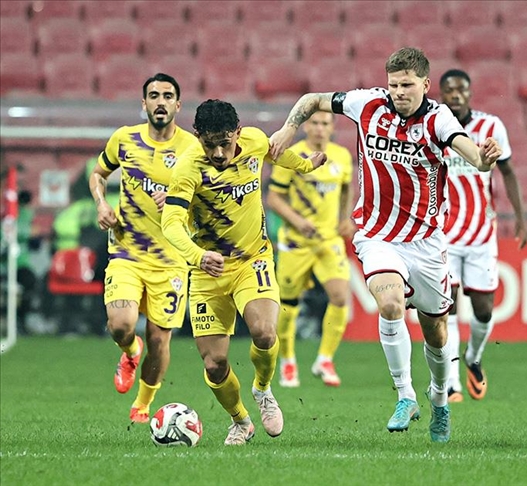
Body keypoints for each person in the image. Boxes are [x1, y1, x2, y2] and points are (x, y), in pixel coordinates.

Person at [269, 47, 502, 443]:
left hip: (426, 242)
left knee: (437, 333)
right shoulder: (367, 103)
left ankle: (439, 400)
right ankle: (405, 395)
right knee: (390, 303)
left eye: (407, 85)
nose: (398, 92)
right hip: (377, 235)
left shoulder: (438, 118)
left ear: (425, 85)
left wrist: (483, 159)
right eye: (394, 84)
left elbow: (468, 151)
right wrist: (287, 130)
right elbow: (312, 101)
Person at [162, 99, 326, 445]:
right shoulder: (188, 168)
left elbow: (274, 152)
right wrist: (197, 255)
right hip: (208, 270)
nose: (219, 152)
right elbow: (171, 223)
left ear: (238, 132)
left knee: (265, 333)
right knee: (214, 365)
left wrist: (304, 166)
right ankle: (240, 420)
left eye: (225, 141)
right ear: (197, 137)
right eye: (210, 144)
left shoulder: (252, 140)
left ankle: (263, 390)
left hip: (253, 260)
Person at [89, 73, 198, 422]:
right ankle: (129, 350)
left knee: (160, 340)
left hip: (171, 259)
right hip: (127, 251)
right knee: (121, 324)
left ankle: (143, 404)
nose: (160, 101)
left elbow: (209, 197)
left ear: (178, 105)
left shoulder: (193, 149)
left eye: (168, 96)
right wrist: (101, 205)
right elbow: (98, 174)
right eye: (154, 95)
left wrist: (180, 200)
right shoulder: (124, 139)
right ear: (144, 104)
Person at [437, 69, 527, 403]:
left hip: (480, 236)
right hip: (443, 236)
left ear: (470, 93)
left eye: (461, 89)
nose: (456, 95)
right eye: (449, 90)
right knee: (445, 309)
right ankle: (451, 382)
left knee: (484, 310)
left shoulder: (491, 127)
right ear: (441, 93)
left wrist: (520, 218)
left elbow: (508, 172)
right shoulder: (434, 124)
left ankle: (473, 358)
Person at [267, 111, 355, 388]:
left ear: (332, 127)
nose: (319, 128)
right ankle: (288, 362)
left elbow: (346, 188)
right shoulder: (291, 155)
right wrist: (298, 221)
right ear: (306, 126)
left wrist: (345, 218)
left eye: (325, 123)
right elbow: (273, 197)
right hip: (296, 241)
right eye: (314, 123)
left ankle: (325, 359)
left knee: (340, 296)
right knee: (289, 305)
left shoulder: (341, 156)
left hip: (328, 240)